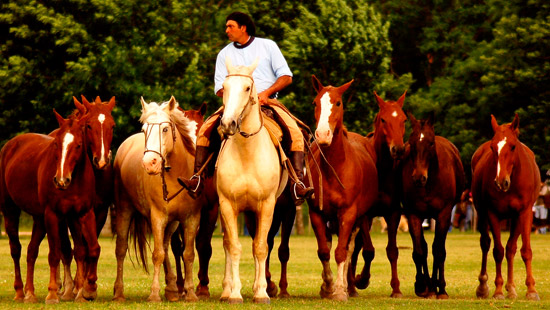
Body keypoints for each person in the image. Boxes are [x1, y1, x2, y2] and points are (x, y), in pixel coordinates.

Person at [178, 11, 314, 205]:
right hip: (233, 105)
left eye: (230, 26)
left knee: (296, 134)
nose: (226, 30)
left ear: (244, 27)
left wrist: (266, 93)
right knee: (204, 132)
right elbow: (219, 88)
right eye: (226, 26)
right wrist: (235, 96)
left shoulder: (268, 46)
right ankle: (197, 179)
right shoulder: (224, 54)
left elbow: (286, 77)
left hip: (268, 103)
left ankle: (297, 184)